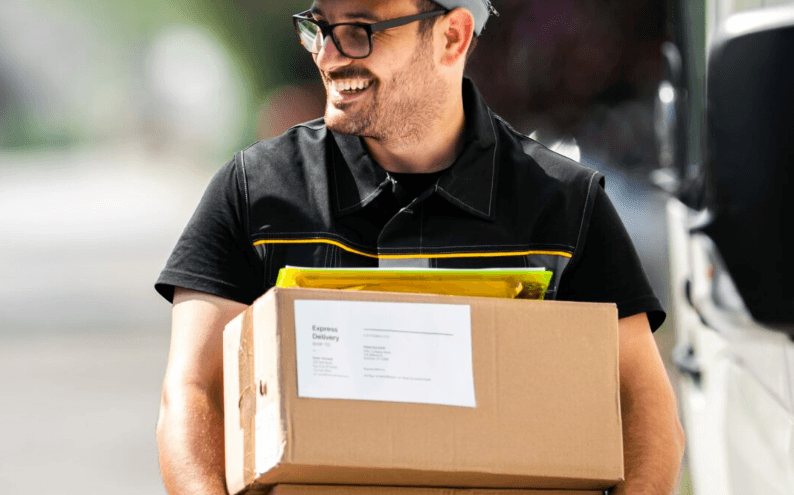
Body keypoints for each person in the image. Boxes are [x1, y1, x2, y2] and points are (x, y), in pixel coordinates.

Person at [154, 1, 685, 494]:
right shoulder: (254, 194)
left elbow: (644, 405)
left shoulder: (566, 206)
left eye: (360, 31)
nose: (329, 54)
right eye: (319, 27)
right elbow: (192, 394)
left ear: (451, 36)